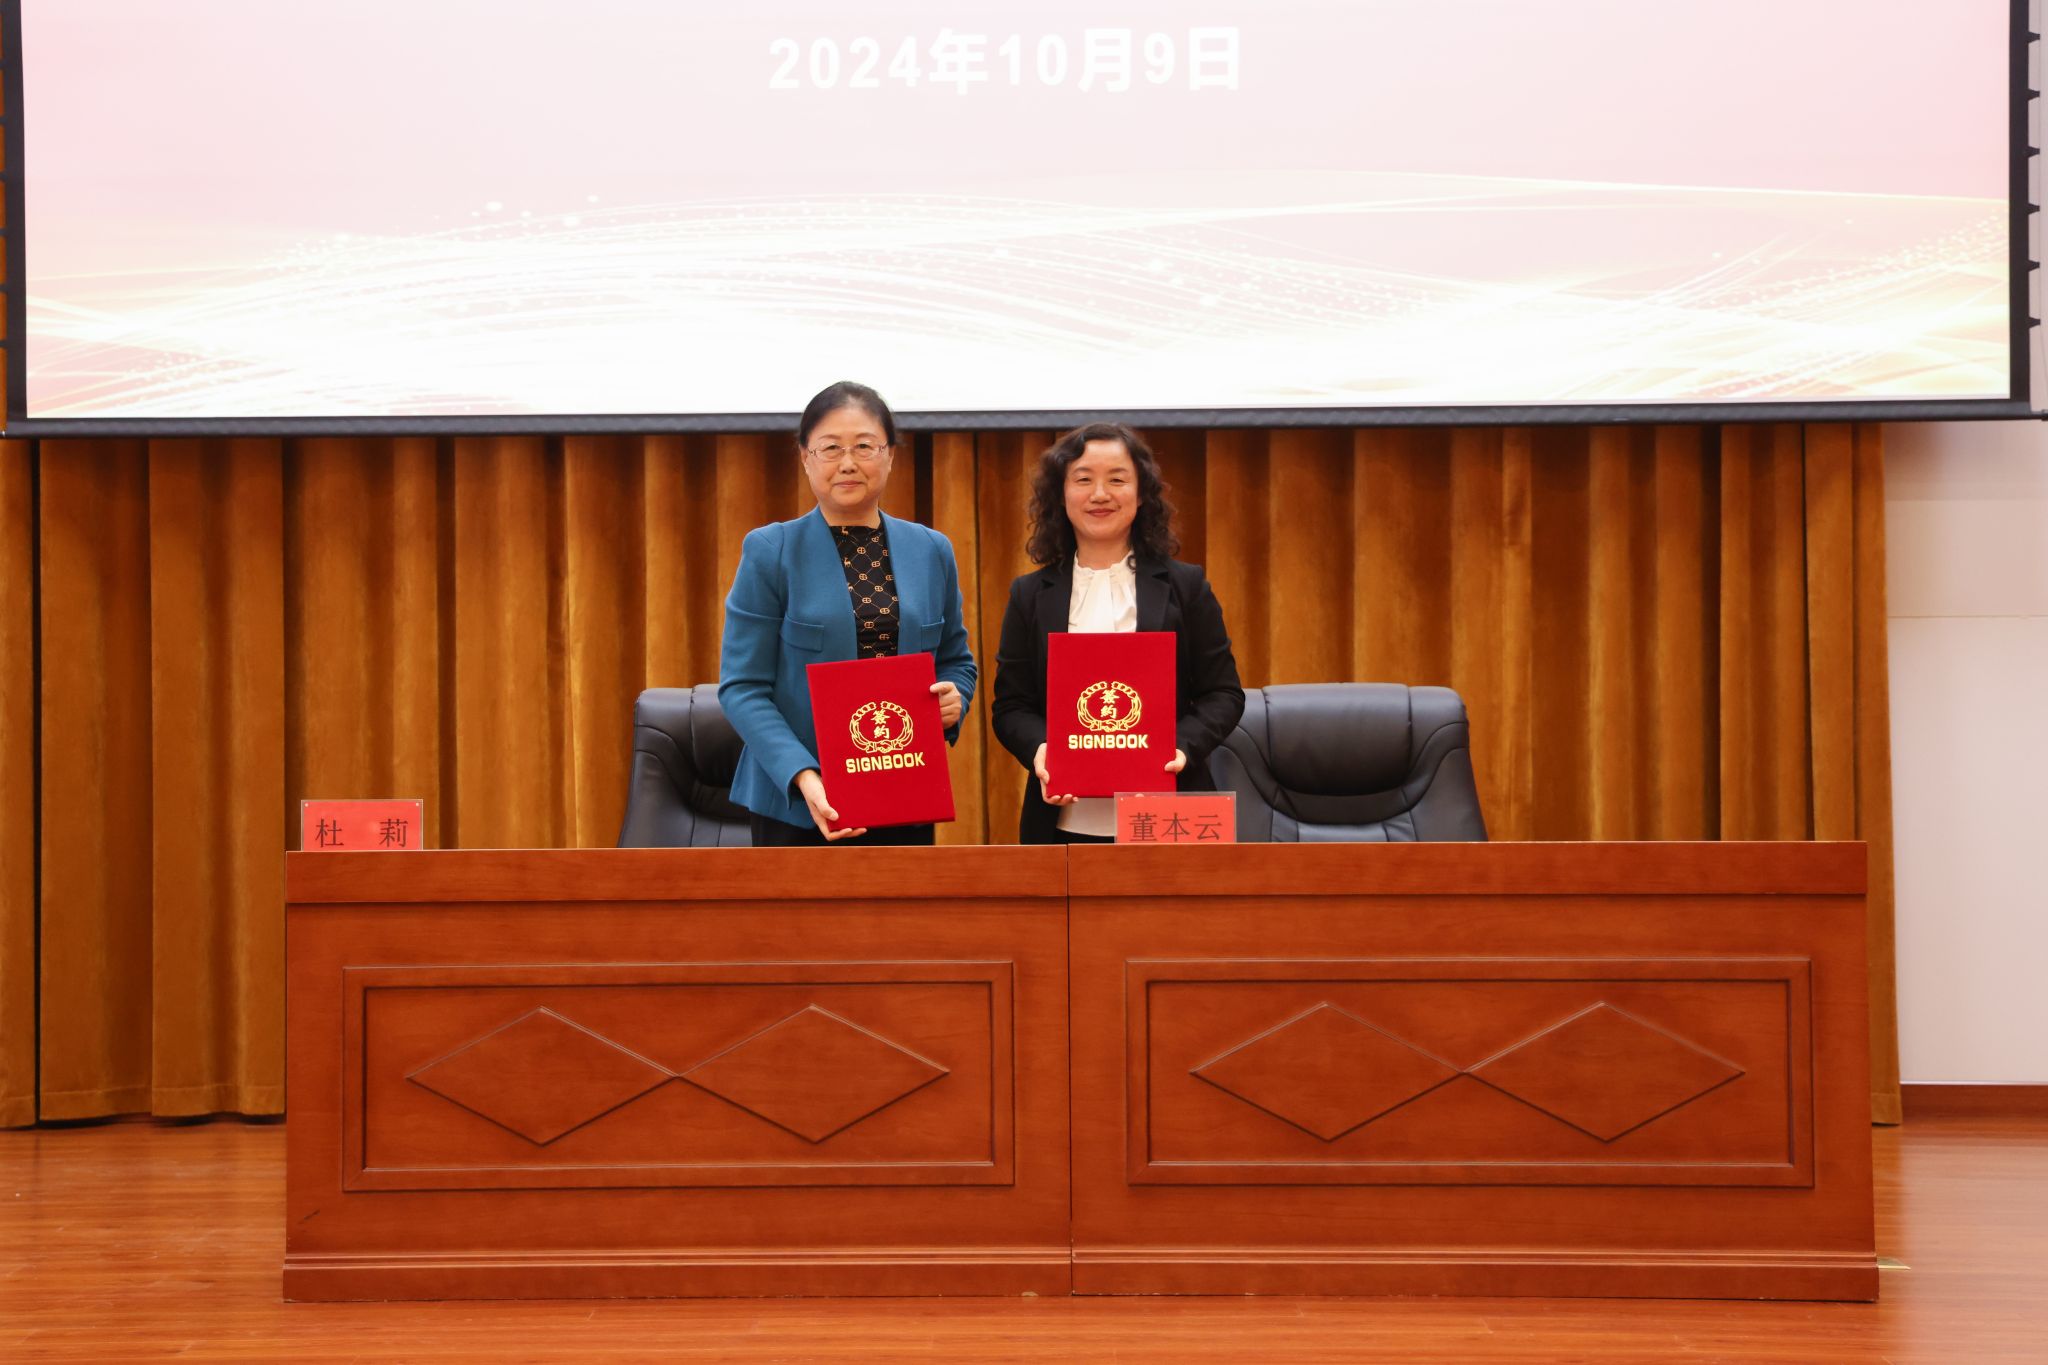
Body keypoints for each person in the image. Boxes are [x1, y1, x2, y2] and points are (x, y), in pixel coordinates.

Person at [719, 381, 976, 845]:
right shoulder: (771, 550)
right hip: (798, 803)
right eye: (831, 448)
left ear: (890, 455)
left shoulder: (931, 550)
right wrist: (803, 775)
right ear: (806, 458)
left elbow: (956, 660)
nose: (848, 463)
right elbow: (743, 687)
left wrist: (954, 698)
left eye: (864, 446)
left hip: (904, 789)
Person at [991, 422, 1245, 844]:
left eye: (1117, 479)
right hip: (1063, 820)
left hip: (1170, 815)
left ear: (1141, 493)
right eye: (1083, 479)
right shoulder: (1029, 595)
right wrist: (1043, 750)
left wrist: (1179, 747)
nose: (1100, 494)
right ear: (1061, 494)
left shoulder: (1186, 586)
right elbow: (1012, 706)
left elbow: (1224, 694)